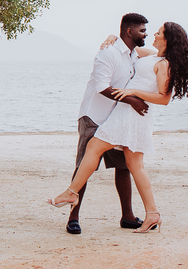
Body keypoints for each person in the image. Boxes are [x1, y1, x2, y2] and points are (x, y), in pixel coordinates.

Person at [49, 21, 188, 233]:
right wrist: (112, 36)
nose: (154, 35)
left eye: (159, 33)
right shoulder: (151, 55)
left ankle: (72, 192)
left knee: (95, 148)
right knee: (135, 166)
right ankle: (152, 214)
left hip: (131, 116)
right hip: (127, 114)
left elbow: (163, 98)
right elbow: (129, 46)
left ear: (168, 39)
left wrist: (133, 93)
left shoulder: (164, 64)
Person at [58, 12, 150, 235]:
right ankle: (73, 217)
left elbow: (160, 53)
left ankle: (127, 216)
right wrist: (132, 101)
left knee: (123, 166)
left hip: (116, 119)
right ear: (130, 31)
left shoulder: (133, 54)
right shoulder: (107, 53)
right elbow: (101, 86)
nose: (145, 34)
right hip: (94, 117)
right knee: (84, 168)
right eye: (142, 30)